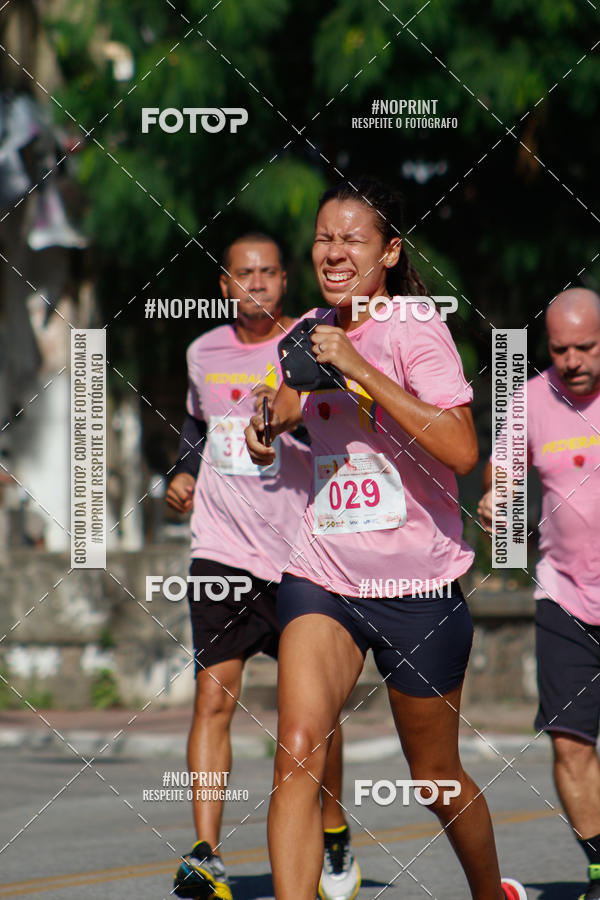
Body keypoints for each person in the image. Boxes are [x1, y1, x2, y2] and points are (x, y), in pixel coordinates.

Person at [246, 177, 527, 900]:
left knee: (435, 779)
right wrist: (263, 427)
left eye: (353, 239)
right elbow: (278, 420)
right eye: (323, 239)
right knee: (299, 753)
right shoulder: (305, 331)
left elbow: (463, 450)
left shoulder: (413, 327)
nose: (334, 253)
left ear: (389, 251)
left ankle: (490, 891)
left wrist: (359, 366)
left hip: (417, 586)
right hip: (326, 573)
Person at [166, 232, 360, 900]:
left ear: (285, 281)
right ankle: (205, 853)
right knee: (210, 698)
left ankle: (332, 833)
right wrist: (184, 474)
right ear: (224, 285)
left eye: (269, 274)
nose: (256, 285)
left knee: (311, 719)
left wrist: (285, 423)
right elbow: (197, 423)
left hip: (302, 554)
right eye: (243, 275)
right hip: (220, 549)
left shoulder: (311, 339)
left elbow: (340, 419)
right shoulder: (202, 352)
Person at [479, 288, 600, 900]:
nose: (573, 360)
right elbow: (503, 470)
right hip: (566, 596)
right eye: (560, 350)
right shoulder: (529, 398)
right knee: (571, 741)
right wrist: (495, 498)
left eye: (587, 347)